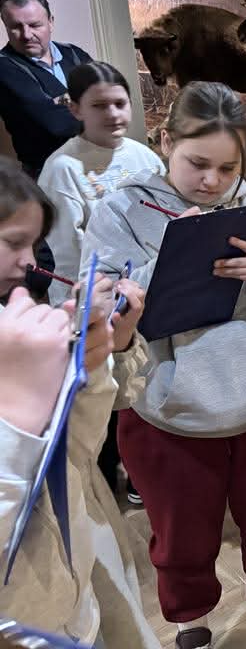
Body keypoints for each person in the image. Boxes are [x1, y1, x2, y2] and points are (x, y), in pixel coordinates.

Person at [79, 81, 246, 649]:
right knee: (180, 536)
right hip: (169, 413)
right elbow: (95, 311)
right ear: (166, 142)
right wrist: (171, 259)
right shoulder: (121, 209)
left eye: (228, 168)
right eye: (197, 163)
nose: (213, 181)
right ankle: (190, 624)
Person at [0, 157, 159, 648]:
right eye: (13, 242)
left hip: (75, 570)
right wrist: (17, 416)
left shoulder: (16, 319)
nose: (30, 262)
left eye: (33, 244)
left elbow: (78, 455)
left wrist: (106, 352)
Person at [38, 62, 163, 306]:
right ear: (76, 109)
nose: (113, 114)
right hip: (92, 296)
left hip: (148, 286)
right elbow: (68, 255)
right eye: (99, 106)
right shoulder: (62, 168)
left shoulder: (146, 157)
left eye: (120, 104)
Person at [0, 0, 93, 178]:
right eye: (15, 27)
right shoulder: (4, 68)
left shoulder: (74, 53)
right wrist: (91, 102)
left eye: (35, 25)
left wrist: (58, 100)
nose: (26, 35)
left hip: (99, 163)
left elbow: (114, 96)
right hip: (49, 175)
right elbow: (54, 124)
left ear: (51, 22)